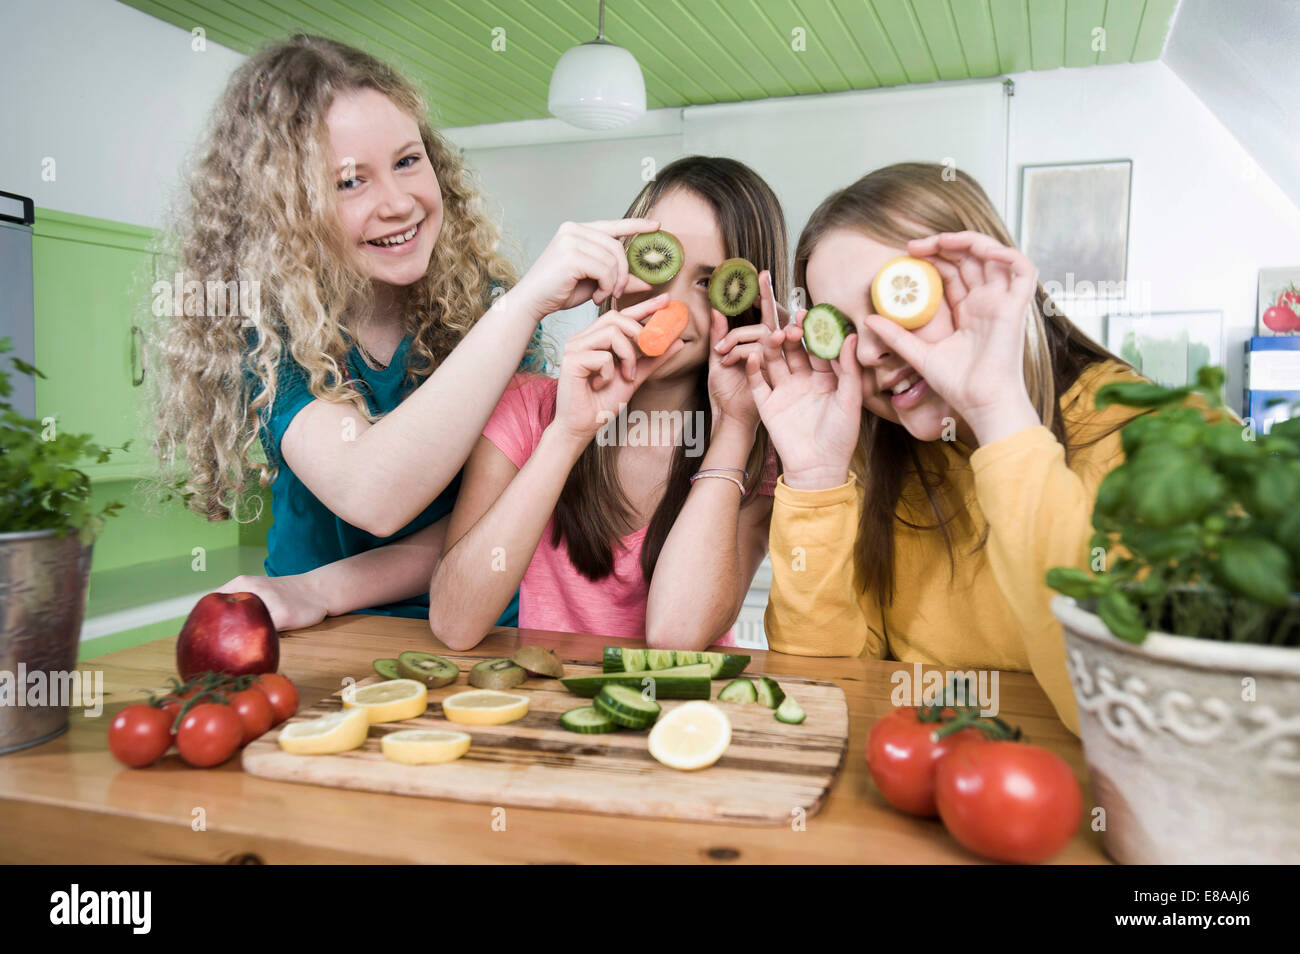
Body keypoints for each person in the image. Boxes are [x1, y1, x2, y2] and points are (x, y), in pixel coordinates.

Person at [150, 35, 659, 628]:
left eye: (407, 160)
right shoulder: (266, 331)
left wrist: (323, 591)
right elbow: (373, 492)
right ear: (281, 209)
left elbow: (491, 515)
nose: (398, 203)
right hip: (318, 631)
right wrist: (520, 309)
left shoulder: (481, 305)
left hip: (474, 630)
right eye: (348, 182)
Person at [720, 162, 1143, 734]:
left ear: (986, 281)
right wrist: (816, 479)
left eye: (896, 298)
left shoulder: (1144, 436)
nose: (870, 350)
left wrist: (997, 411)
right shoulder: (876, 461)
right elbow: (821, 697)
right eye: (841, 326)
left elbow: (1123, 713)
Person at [427, 156, 786, 650]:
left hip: (676, 722)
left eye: (706, 282)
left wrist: (734, 427)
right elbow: (454, 622)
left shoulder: (755, 454)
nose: (668, 305)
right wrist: (569, 434)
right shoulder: (527, 409)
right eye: (660, 261)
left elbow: (676, 636)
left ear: (741, 305)